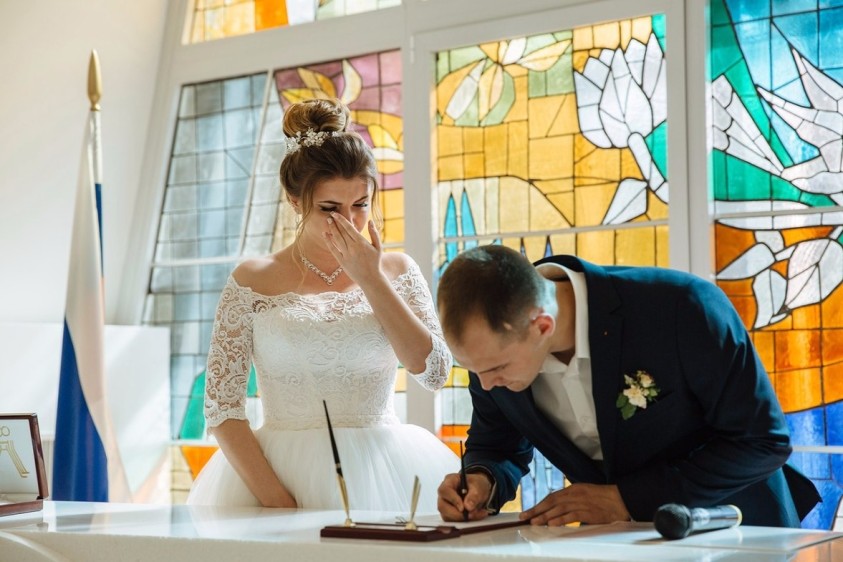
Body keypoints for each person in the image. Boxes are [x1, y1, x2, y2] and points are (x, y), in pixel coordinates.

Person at [187, 98, 458, 511]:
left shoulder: (398, 270)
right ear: (295, 201)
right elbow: (222, 408)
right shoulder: (251, 280)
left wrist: (372, 279)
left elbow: (434, 373)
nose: (348, 221)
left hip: (384, 473)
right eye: (329, 208)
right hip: (276, 476)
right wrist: (277, 500)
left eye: (360, 205)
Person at [435, 245, 820, 527]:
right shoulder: (492, 355)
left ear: (542, 326)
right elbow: (497, 446)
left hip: (735, 530)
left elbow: (761, 442)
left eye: (496, 368)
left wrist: (626, 499)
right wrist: (482, 480)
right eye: (472, 370)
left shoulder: (682, 308)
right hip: (610, 544)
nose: (487, 384)